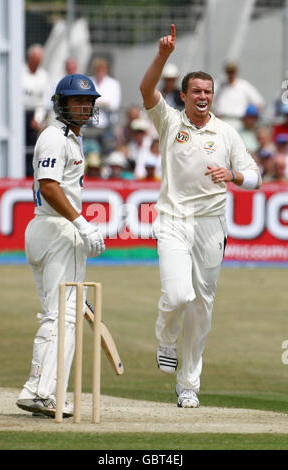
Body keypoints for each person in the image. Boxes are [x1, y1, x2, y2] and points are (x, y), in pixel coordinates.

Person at [140, 25, 262, 409]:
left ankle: (188, 383)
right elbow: (146, 91)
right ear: (185, 96)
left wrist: (235, 175)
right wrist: (163, 56)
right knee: (177, 295)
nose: (203, 97)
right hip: (174, 220)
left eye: (208, 92)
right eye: (197, 91)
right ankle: (165, 338)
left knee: (201, 304)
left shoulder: (226, 134)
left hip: (211, 226)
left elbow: (255, 177)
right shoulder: (170, 122)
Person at [16, 73, 105, 418]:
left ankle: (46, 391)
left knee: (61, 314)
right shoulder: (54, 137)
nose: (84, 107)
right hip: (56, 232)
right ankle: (39, 390)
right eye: (77, 101)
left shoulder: (72, 139)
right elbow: (50, 186)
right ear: (61, 104)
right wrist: (81, 224)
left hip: (47, 229)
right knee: (62, 316)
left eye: (88, 102)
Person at [213, 61, 265, 131]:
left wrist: (250, 119)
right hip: (221, 121)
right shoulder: (219, 85)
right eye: (229, 71)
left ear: (236, 72)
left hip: (238, 123)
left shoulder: (244, 85)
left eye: (232, 71)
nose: (231, 74)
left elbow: (259, 103)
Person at [23, 44, 50, 176]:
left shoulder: (43, 76)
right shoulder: (19, 72)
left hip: (33, 115)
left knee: (32, 146)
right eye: (35, 59)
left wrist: (38, 118)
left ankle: (30, 173)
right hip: (19, 114)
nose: (37, 62)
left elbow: (43, 100)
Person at [88, 57, 121, 155]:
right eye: (98, 68)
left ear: (106, 69)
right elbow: (86, 102)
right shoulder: (89, 81)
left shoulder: (113, 84)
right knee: (90, 153)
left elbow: (114, 105)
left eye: (102, 68)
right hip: (90, 125)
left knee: (107, 152)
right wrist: (104, 103)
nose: (100, 71)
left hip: (107, 126)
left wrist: (95, 102)